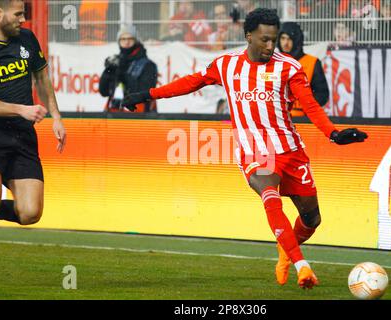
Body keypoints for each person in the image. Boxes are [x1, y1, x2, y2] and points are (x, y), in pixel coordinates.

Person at [122, 8, 367, 289]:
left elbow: (310, 106)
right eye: (264, 39)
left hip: (290, 149)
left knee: (312, 219)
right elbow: (191, 83)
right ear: (248, 36)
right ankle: (302, 266)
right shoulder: (227, 65)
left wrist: (333, 134)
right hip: (255, 151)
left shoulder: (289, 67)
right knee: (269, 193)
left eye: (274, 40)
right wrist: (147, 94)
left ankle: (285, 249)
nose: (270, 46)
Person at [0, 0, 66, 225]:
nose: (23, 20)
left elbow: (42, 79)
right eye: (17, 14)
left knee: (30, 213)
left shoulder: (27, 39)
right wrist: (20, 109)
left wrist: (56, 117)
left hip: (22, 138)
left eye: (23, 14)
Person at [99, 25, 158, 113]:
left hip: (139, 116)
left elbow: (145, 93)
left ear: (136, 40)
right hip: (114, 114)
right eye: (123, 39)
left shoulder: (148, 65)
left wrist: (123, 75)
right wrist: (108, 71)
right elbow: (104, 92)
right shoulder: (116, 61)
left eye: (130, 39)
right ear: (119, 41)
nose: (126, 42)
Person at [277, 22, 329, 117]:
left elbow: (322, 94)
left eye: (289, 39)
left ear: (296, 40)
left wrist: (306, 105)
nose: (285, 43)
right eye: (283, 38)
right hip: (278, 119)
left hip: (303, 119)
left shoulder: (312, 62)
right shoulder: (273, 62)